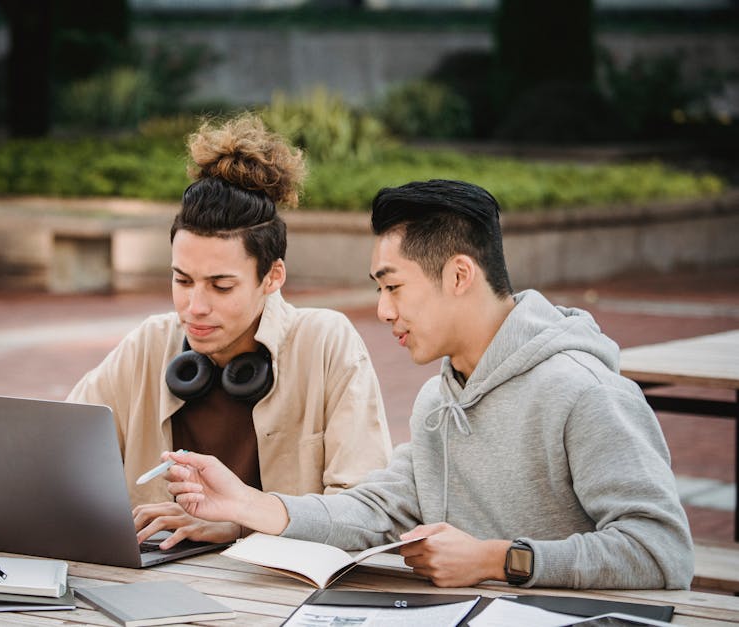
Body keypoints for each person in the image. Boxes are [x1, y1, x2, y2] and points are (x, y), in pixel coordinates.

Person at [162, 179, 694, 589]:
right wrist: (247, 504)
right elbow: (374, 511)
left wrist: (497, 558)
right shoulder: (439, 401)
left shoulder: (584, 392)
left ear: (459, 275)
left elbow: (661, 551)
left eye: (393, 286)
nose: (383, 309)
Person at [67, 114, 392, 548]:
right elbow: (57, 455)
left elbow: (367, 518)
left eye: (221, 286)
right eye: (182, 281)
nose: (194, 307)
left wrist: (240, 525)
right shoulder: (149, 343)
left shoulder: (326, 343)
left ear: (273, 277)